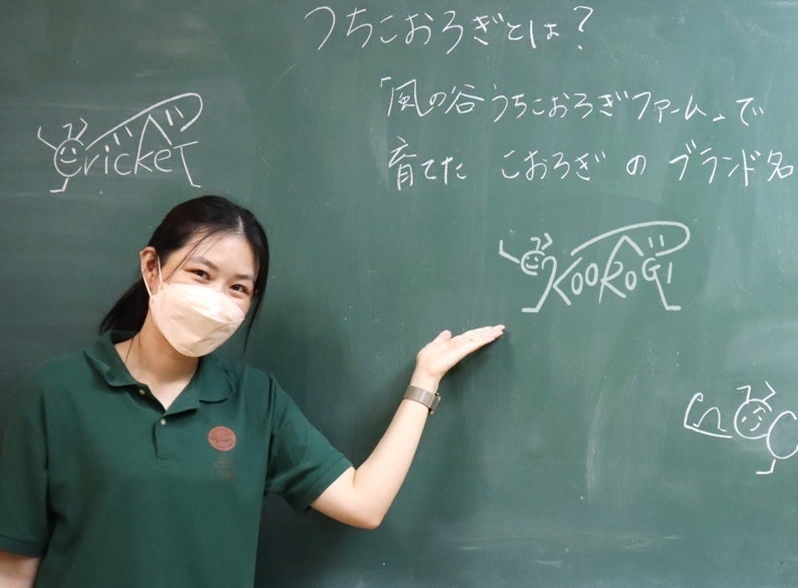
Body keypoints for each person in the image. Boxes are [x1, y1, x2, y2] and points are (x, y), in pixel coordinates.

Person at [0, 195, 504, 587]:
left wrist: (424, 381)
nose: (216, 299)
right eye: (201, 274)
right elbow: (14, 568)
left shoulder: (255, 400)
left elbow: (363, 502)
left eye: (238, 288)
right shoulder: (54, 392)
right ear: (152, 267)